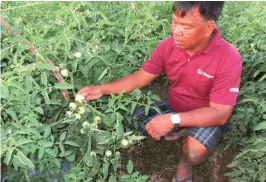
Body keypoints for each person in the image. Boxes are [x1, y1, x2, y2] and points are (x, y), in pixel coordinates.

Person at [77, 1, 242, 182]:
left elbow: (219, 114)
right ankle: (176, 131)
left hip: (206, 117)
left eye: (186, 26)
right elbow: (139, 78)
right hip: (173, 106)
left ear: (209, 27)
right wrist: (102, 89)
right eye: (174, 22)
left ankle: (185, 163)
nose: (176, 31)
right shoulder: (167, 46)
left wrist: (172, 120)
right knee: (128, 117)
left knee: (195, 152)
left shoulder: (228, 57)